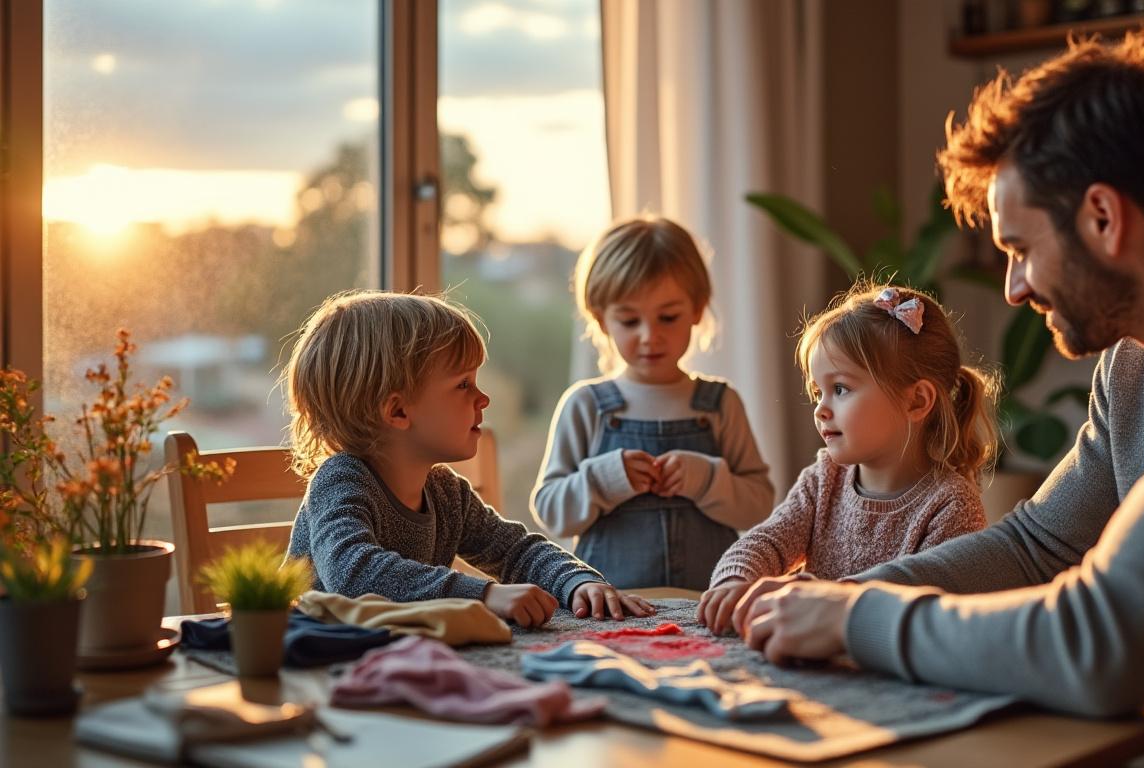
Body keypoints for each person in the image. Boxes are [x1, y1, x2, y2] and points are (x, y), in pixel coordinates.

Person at [734, 30, 1144, 753]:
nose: (1015, 286)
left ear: (1104, 218)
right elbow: (1038, 545)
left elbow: (1106, 646)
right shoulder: (1131, 362)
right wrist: (839, 596)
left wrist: (851, 621)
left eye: (1020, 248)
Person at [283, 290, 653, 627]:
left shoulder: (445, 491)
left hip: (393, 654)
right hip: (313, 659)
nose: (483, 398)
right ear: (397, 412)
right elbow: (354, 574)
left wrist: (576, 581)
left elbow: (514, 550)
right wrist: (485, 595)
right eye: (463, 384)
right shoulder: (342, 479)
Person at [696, 283, 994, 634]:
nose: (821, 409)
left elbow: (931, 621)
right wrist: (734, 580)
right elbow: (767, 541)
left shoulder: (951, 505)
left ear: (916, 401)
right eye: (818, 392)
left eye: (840, 389)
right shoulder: (824, 478)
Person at [531, 215, 775, 590]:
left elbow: (759, 505)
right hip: (609, 608)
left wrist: (705, 479)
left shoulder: (720, 404)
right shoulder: (585, 406)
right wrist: (606, 479)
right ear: (600, 319)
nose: (650, 336)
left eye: (668, 317)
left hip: (706, 607)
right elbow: (550, 511)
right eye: (629, 321)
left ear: (697, 310)